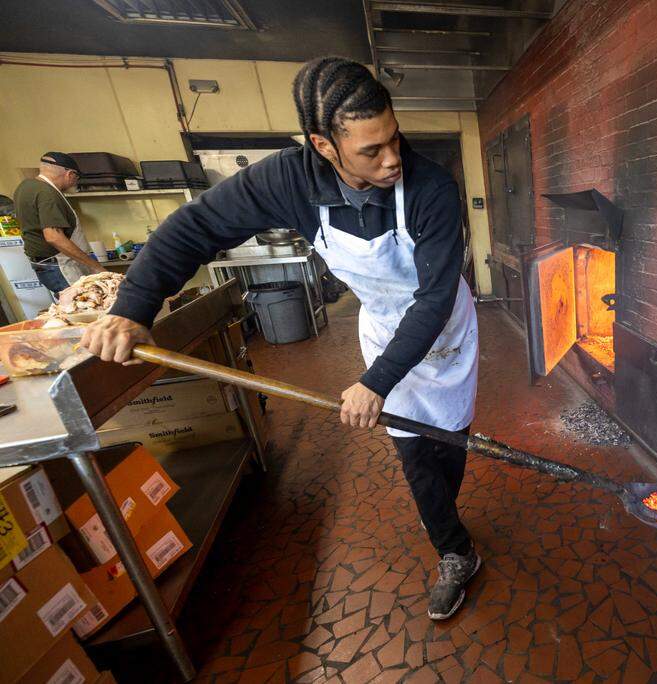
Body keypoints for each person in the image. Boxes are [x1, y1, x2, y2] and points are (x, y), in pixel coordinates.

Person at [80, 57, 481, 620]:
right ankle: (454, 549)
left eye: (395, 138)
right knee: (414, 444)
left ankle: (444, 500)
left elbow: (435, 299)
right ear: (323, 144)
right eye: (371, 150)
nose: (393, 158)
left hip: (444, 326)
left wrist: (375, 381)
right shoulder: (287, 179)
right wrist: (133, 307)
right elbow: (194, 227)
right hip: (384, 323)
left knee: (453, 438)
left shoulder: (430, 187)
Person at [13, 152, 106, 294]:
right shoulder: (47, 193)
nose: (75, 183)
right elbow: (53, 237)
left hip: (45, 264)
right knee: (82, 305)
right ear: (70, 174)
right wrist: (95, 266)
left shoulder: (26, 186)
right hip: (59, 265)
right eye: (76, 178)